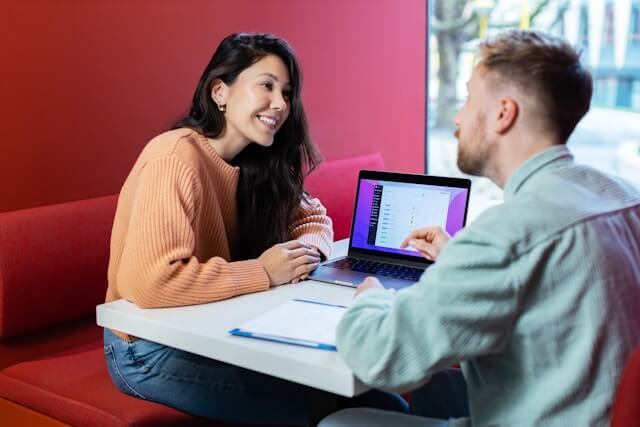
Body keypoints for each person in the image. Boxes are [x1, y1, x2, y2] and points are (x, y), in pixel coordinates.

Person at [320, 29, 640, 426]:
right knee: (433, 388)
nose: (457, 116)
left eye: (469, 97)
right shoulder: (625, 197)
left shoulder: (504, 235)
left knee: (340, 422)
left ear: (504, 113)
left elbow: (378, 357)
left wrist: (371, 297)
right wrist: (459, 259)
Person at [103, 33, 407, 425]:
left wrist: (301, 256)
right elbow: (150, 281)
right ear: (220, 92)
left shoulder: (259, 160)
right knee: (342, 411)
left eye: (286, 91)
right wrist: (263, 271)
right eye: (266, 85)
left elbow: (313, 219)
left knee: (381, 401)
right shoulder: (174, 155)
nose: (280, 104)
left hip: (219, 331)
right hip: (145, 350)